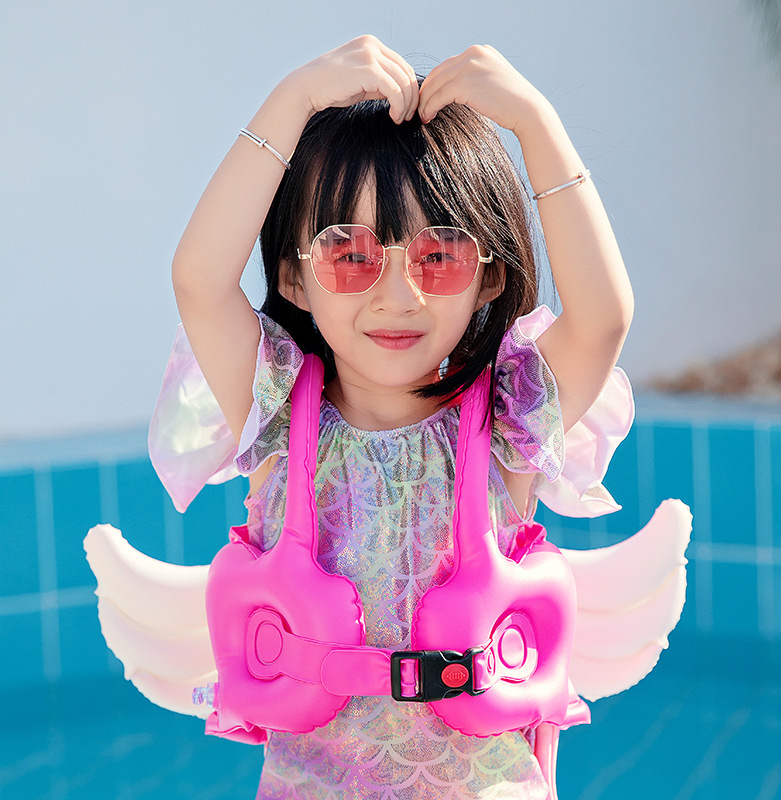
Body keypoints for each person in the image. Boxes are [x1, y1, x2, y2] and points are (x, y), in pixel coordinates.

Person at [88, 34, 684, 800]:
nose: (398, 296)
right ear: (294, 278)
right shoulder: (277, 413)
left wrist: (535, 123)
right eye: (350, 256)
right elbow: (199, 280)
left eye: (441, 256)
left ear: (489, 278)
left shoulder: (508, 421)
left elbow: (602, 317)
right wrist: (295, 98)